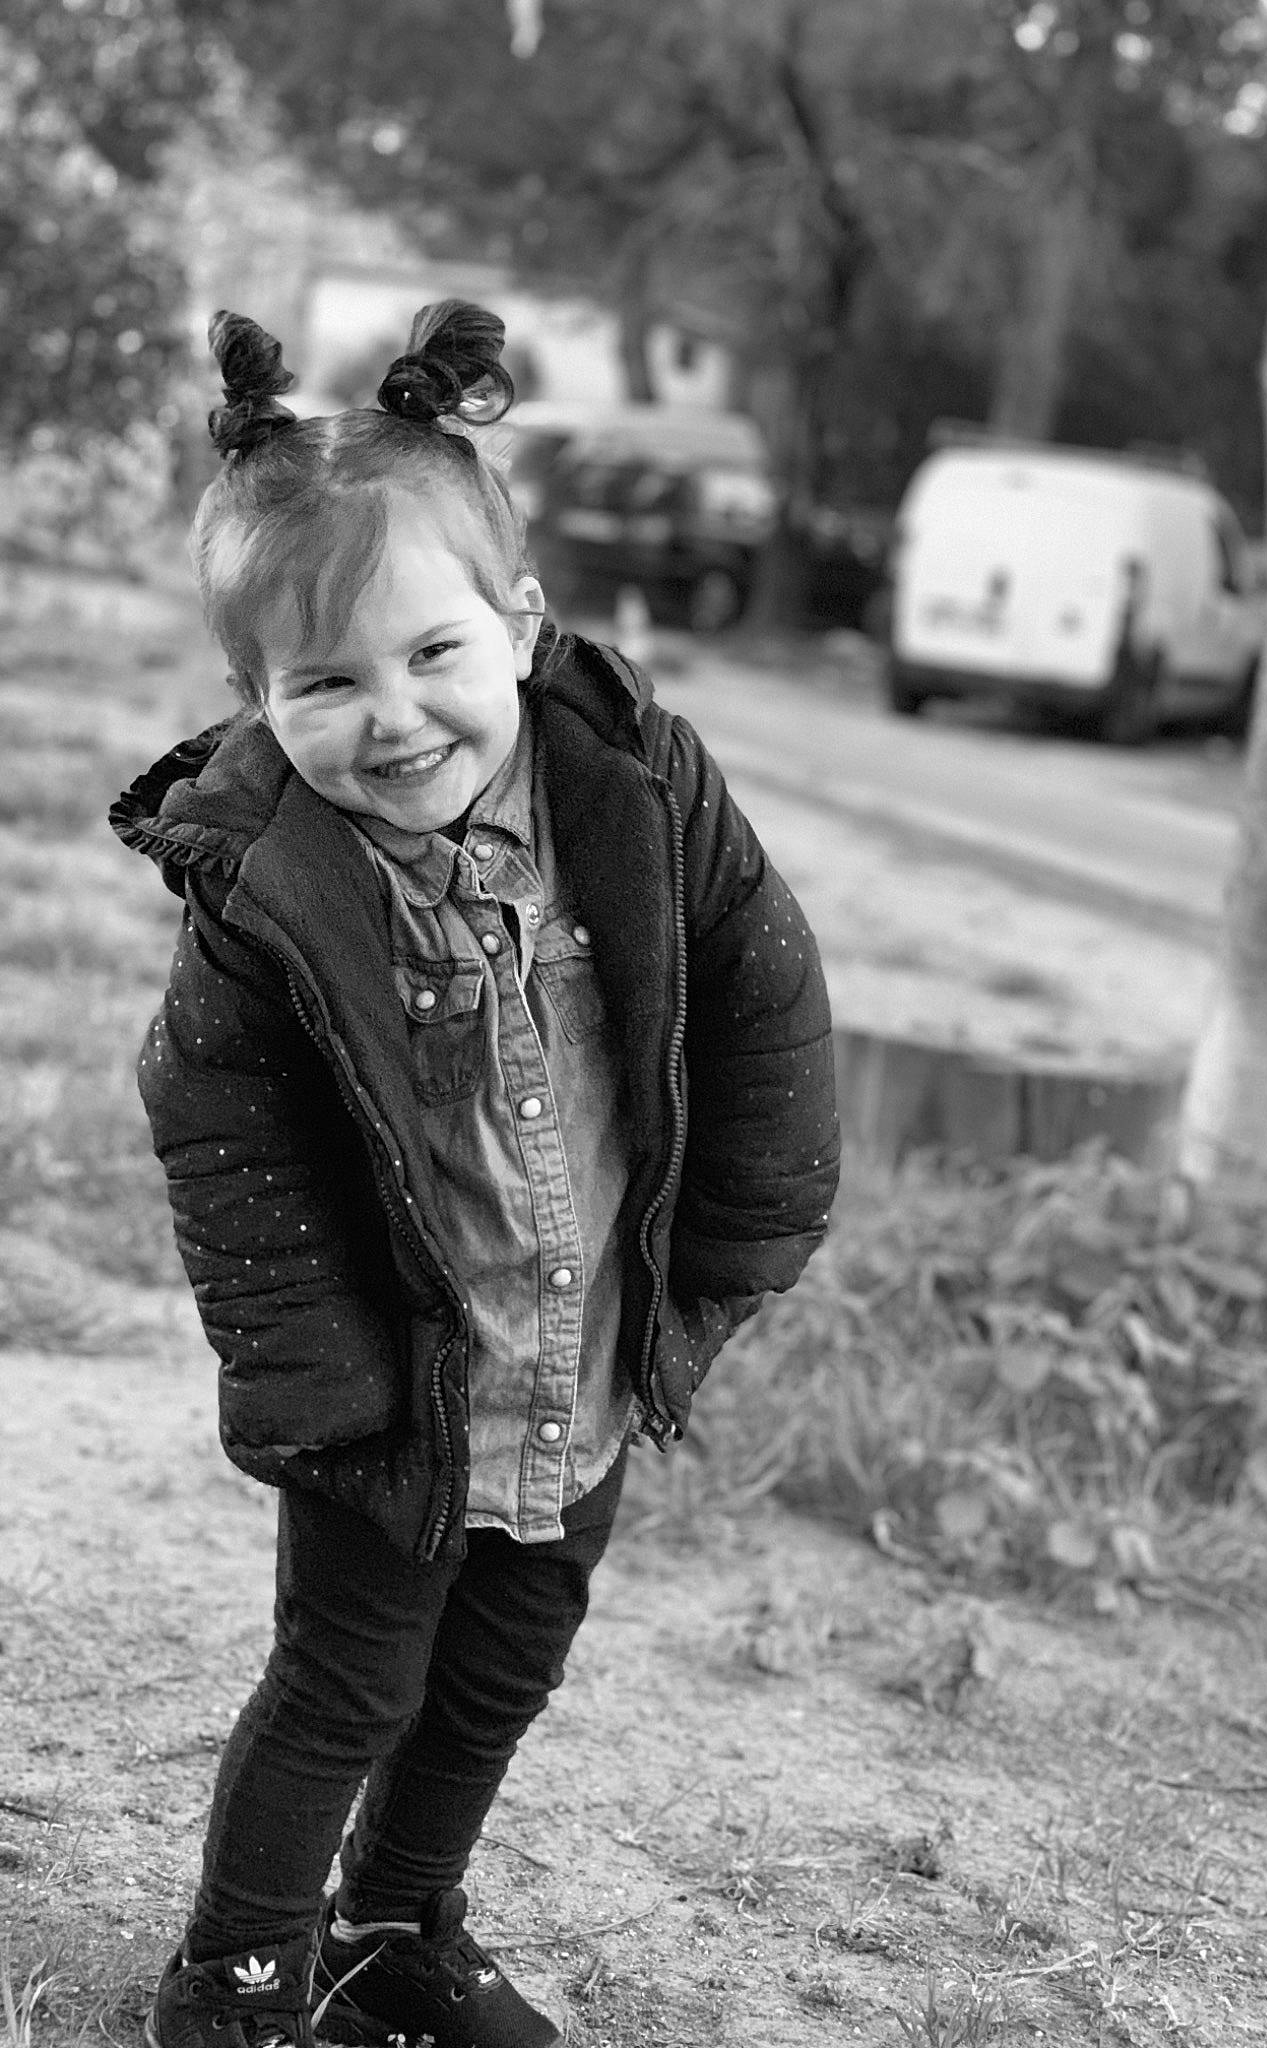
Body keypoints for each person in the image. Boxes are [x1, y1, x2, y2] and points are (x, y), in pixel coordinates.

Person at [109, 299, 839, 2048]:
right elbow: (223, 1136)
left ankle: (393, 1930)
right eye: (328, 684)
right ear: (256, 702)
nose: (396, 715)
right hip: (402, 1396)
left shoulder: (638, 802)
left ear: (516, 623)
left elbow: (764, 993)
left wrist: (733, 1254)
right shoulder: (269, 897)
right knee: (347, 1681)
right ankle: (238, 1980)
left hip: (580, 1359)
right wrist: (324, 1390)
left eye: (432, 653)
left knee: (505, 1666)